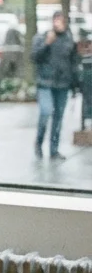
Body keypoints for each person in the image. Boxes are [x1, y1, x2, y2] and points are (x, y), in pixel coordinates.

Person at [33, 10, 79, 160]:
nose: (59, 23)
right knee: (46, 112)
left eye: (62, 21)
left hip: (63, 84)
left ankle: (54, 150)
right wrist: (47, 43)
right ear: (52, 21)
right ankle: (39, 143)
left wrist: (75, 83)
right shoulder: (42, 37)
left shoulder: (68, 39)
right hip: (45, 83)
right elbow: (34, 57)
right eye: (57, 20)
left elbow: (73, 62)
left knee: (58, 118)